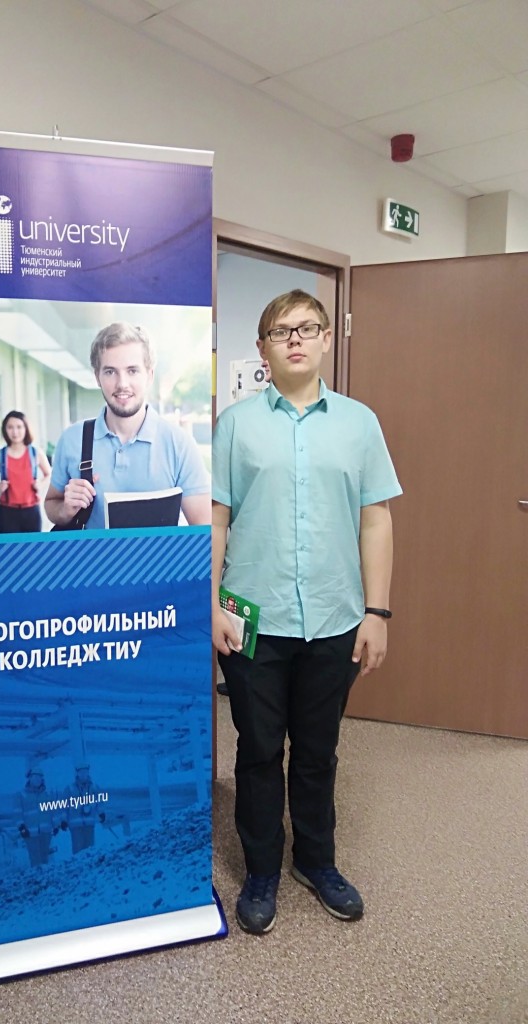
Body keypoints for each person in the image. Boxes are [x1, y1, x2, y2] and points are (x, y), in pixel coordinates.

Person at [212, 289, 402, 935]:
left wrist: (377, 612)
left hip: (334, 616)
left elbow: (376, 519)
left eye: (307, 328)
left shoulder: (359, 423)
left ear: (326, 339)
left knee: (318, 751)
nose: (295, 339)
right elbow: (217, 517)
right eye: (281, 331)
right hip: (252, 617)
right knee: (259, 750)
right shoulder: (236, 424)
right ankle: (262, 870)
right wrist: (211, 602)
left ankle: (316, 862)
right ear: (263, 348)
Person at [44, 322, 210, 530]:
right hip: (93, 553)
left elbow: (204, 528)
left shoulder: (179, 444)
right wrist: (65, 509)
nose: (122, 383)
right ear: (97, 377)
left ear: (149, 375)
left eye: (132, 371)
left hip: (159, 554)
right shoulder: (72, 439)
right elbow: (51, 504)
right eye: (110, 372)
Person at [0, 410, 51, 533]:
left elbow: (49, 474)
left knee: (33, 544)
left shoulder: (36, 453)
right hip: (7, 512)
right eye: (10, 427)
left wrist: (41, 484)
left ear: (26, 428)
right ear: (5, 430)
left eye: (19, 427)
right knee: (9, 545)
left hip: (32, 511)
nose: (15, 432)